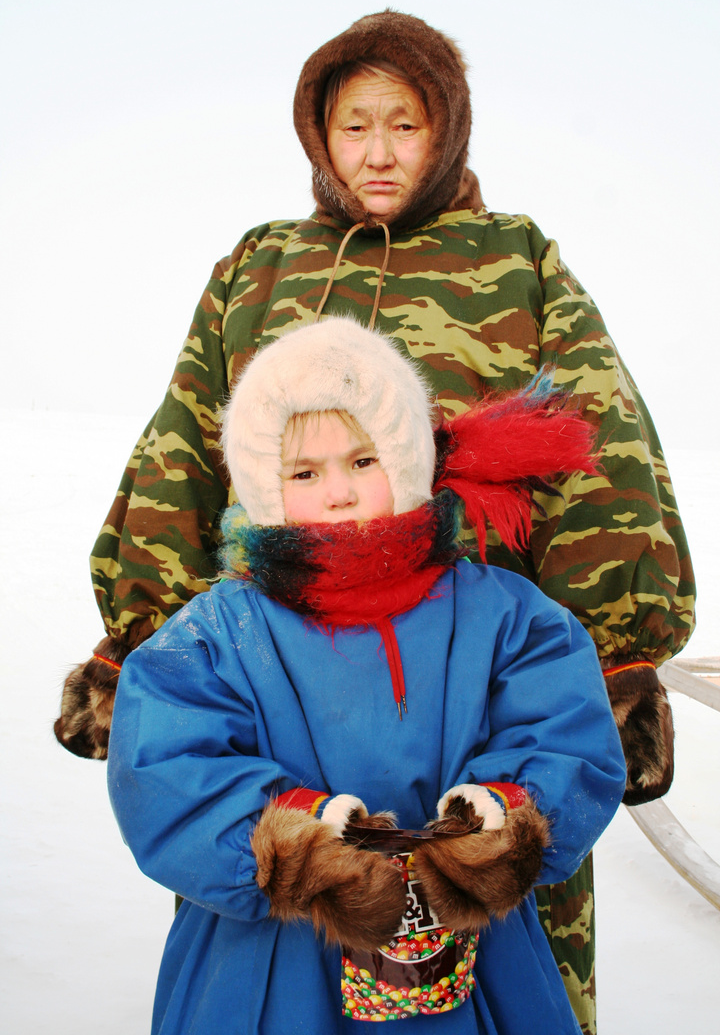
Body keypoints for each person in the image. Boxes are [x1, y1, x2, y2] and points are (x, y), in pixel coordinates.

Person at [55, 11, 695, 1034]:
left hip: (477, 666)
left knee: (511, 897)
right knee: (274, 918)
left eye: (407, 123)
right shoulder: (260, 265)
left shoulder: (516, 256)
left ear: (449, 129)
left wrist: (615, 654)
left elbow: (600, 446)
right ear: (319, 135)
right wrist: (138, 633)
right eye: (355, 126)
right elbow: (180, 445)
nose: (381, 151)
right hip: (286, 643)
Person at [107, 317, 626, 1034]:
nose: (339, 493)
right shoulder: (213, 635)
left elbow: (567, 734)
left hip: (473, 955)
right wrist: (290, 840)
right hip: (271, 964)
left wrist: (506, 811)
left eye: (362, 461)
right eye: (304, 473)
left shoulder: (505, 615)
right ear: (264, 483)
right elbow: (161, 769)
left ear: (408, 458)